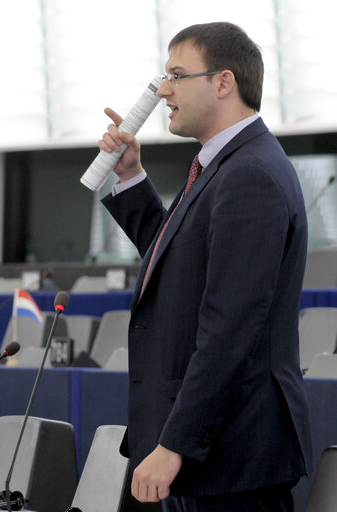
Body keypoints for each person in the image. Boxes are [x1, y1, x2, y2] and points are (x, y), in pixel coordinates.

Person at [99, 22, 312, 512]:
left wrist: (174, 445)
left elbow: (230, 329)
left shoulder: (249, 174)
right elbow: (175, 256)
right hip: (208, 457)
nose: (163, 91)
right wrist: (129, 176)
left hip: (227, 457)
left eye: (176, 75)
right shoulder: (223, 165)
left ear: (223, 82)